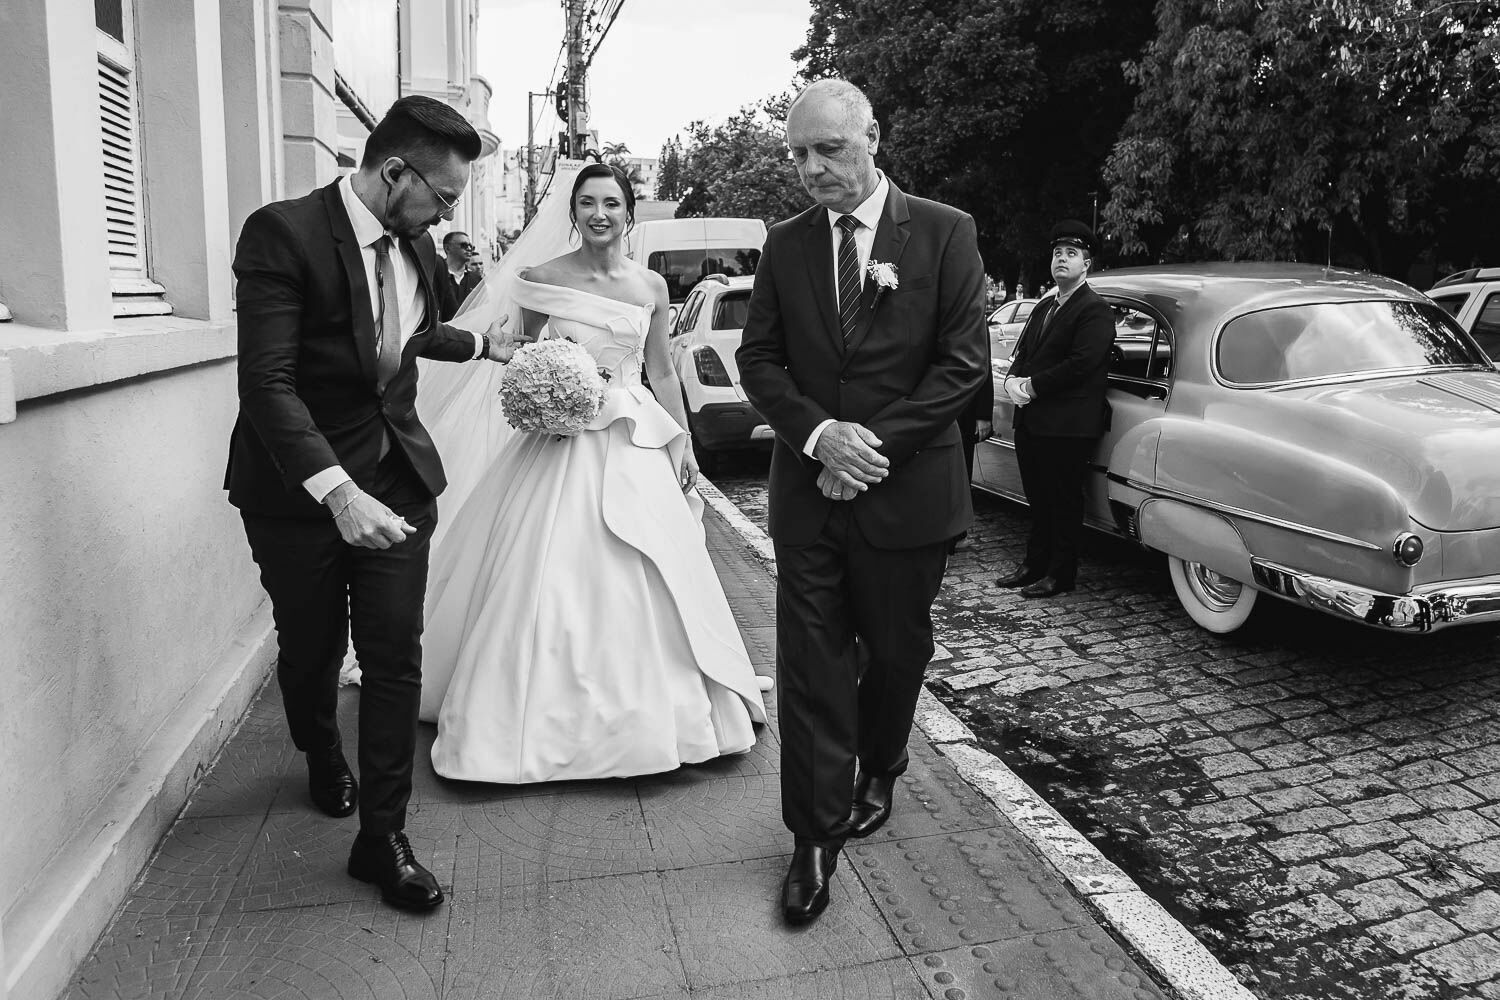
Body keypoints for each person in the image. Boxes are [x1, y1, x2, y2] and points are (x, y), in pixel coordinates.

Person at [226, 95, 512, 912]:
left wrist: (488, 343)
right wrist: (337, 492)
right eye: (445, 196)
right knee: (313, 648)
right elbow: (267, 384)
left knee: (394, 659)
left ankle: (383, 838)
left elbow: (406, 332)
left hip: (397, 480)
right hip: (299, 492)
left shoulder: (416, 244)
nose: (447, 213)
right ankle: (320, 751)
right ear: (395, 173)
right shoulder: (282, 234)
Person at [416, 162, 769, 784]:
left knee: (652, 563)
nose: (599, 213)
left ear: (629, 211)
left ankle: (662, 709)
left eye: (611, 202)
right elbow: (520, 353)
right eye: (587, 203)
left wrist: (682, 440)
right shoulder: (541, 279)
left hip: (634, 438)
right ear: (573, 212)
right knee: (546, 569)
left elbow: (660, 372)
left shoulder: (652, 287)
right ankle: (529, 716)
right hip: (563, 442)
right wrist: (548, 387)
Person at [736, 79, 988, 925]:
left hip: (906, 493)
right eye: (799, 155)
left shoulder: (946, 233)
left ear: (872, 137)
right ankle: (812, 838)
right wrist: (819, 438)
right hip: (809, 498)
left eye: (828, 150)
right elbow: (760, 361)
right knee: (809, 671)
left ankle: (883, 765)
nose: (811, 170)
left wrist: (869, 448)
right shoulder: (784, 244)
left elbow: (961, 366)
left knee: (894, 653)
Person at [994, 220, 1114, 598]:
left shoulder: (1094, 309)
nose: (1062, 259)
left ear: (1087, 264)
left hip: (1069, 424)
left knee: (1063, 500)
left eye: (1071, 254)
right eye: (1057, 253)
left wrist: (1031, 385)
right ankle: (1034, 563)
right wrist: (1014, 378)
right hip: (1033, 420)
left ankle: (1060, 573)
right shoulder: (1046, 305)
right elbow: (1025, 352)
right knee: (1037, 497)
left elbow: (1083, 363)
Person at [434, 230, 484, 321]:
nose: (469, 249)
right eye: (464, 245)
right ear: (448, 248)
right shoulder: (435, 276)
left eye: (471, 246)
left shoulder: (477, 280)